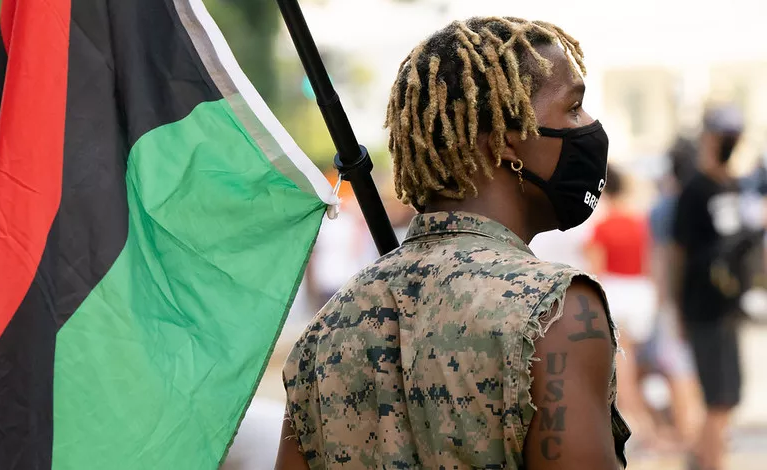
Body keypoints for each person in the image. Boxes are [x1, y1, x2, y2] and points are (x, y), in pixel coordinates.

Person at [278, 17, 629, 470]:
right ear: (507, 139)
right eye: (574, 107)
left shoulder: (325, 330)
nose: (590, 125)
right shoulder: (556, 311)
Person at [671, 105, 746, 470]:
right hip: (703, 308)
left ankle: (700, 458)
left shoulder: (731, 184)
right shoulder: (695, 190)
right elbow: (676, 254)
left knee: (728, 397)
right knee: (718, 398)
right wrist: (675, 308)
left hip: (729, 308)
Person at [583, 166, 658, 447]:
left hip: (616, 295)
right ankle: (646, 424)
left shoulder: (602, 226)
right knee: (634, 364)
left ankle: (640, 426)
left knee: (621, 368)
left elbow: (595, 269)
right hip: (642, 294)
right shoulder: (640, 222)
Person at [642, 137, 702, 447]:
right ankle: (698, 438)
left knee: (678, 372)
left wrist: (664, 304)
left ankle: (689, 439)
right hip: (705, 302)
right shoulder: (702, 199)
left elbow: (659, 261)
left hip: (674, 301)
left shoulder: (663, 208)